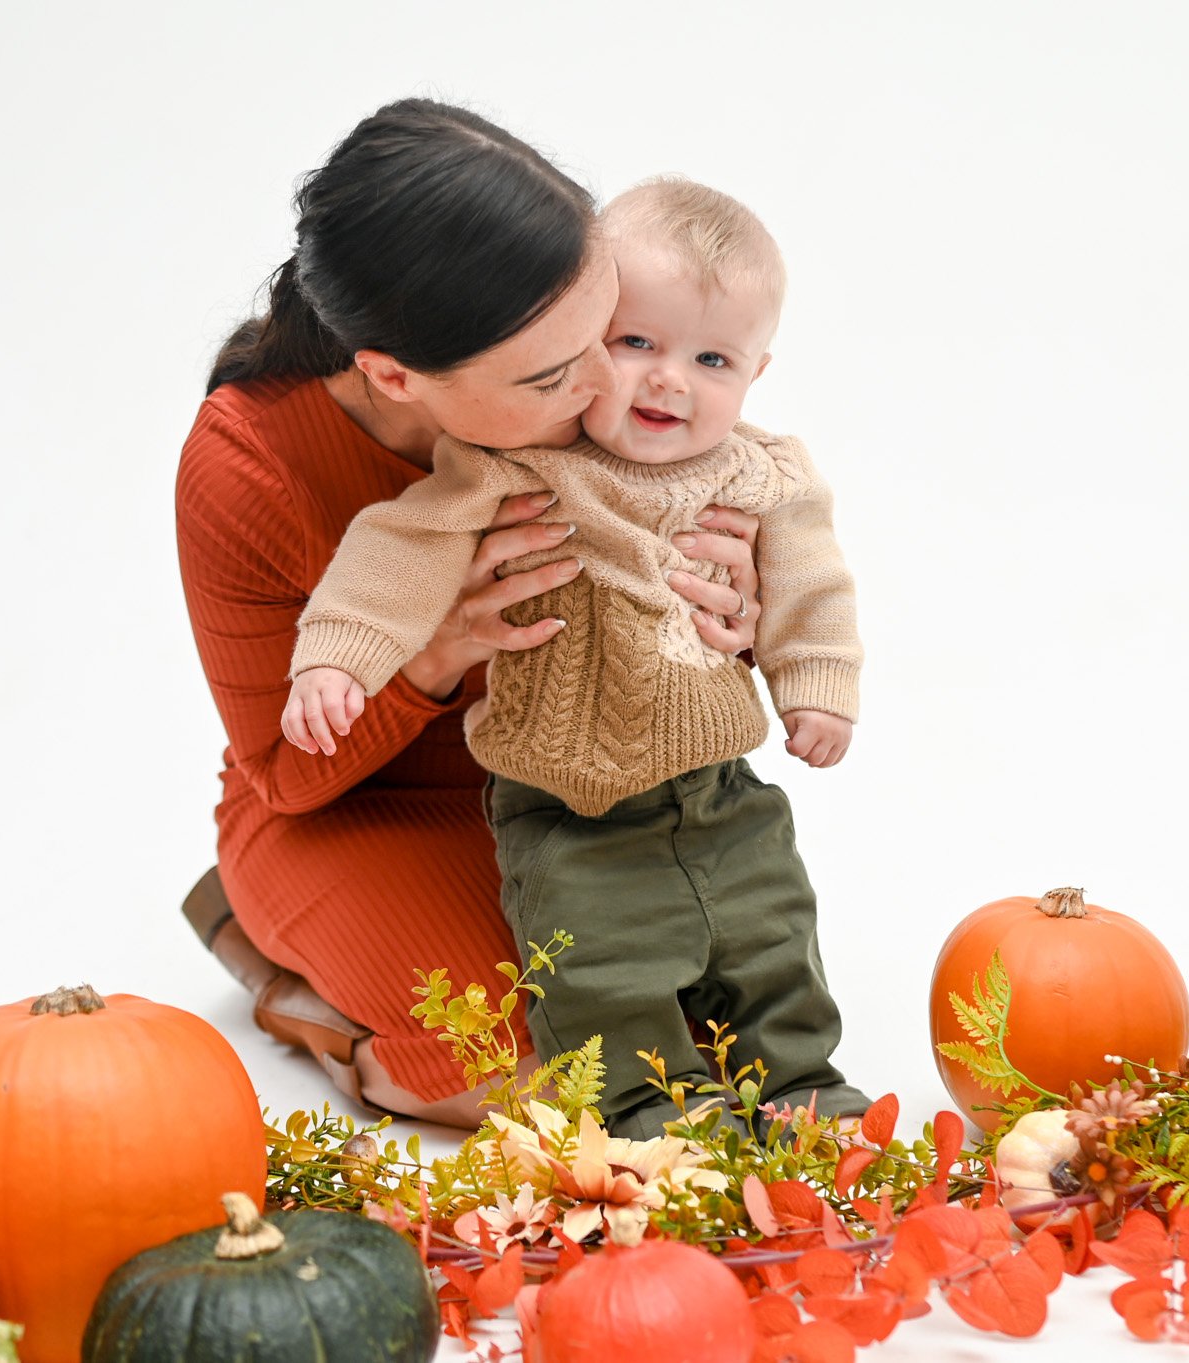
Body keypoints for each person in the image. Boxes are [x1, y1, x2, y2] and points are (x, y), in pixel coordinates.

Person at [176, 100, 769, 1128]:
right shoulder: (247, 468)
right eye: (550, 374)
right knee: (548, 1081)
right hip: (348, 810)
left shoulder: (603, 390)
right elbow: (283, 769)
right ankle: (304, 1000)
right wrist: (432, 656)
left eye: (608, 331)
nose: (606, 387)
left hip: (568, 794)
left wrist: (740, 614)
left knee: (721, 1033)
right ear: (393, 375)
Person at [283, 176, 872, 1140]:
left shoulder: (767, 472)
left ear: (757, 374)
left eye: (710, 357)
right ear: (586, 338)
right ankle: (645, 1107)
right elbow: (404, 543)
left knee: (767, 929)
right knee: (598, 961)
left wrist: (816, 684)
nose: (668, 379)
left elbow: (814, 583)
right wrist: (340, 655)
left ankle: (799, 1076)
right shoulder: (518, 462)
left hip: (719, 781)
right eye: (636, 342)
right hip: (566, 801)